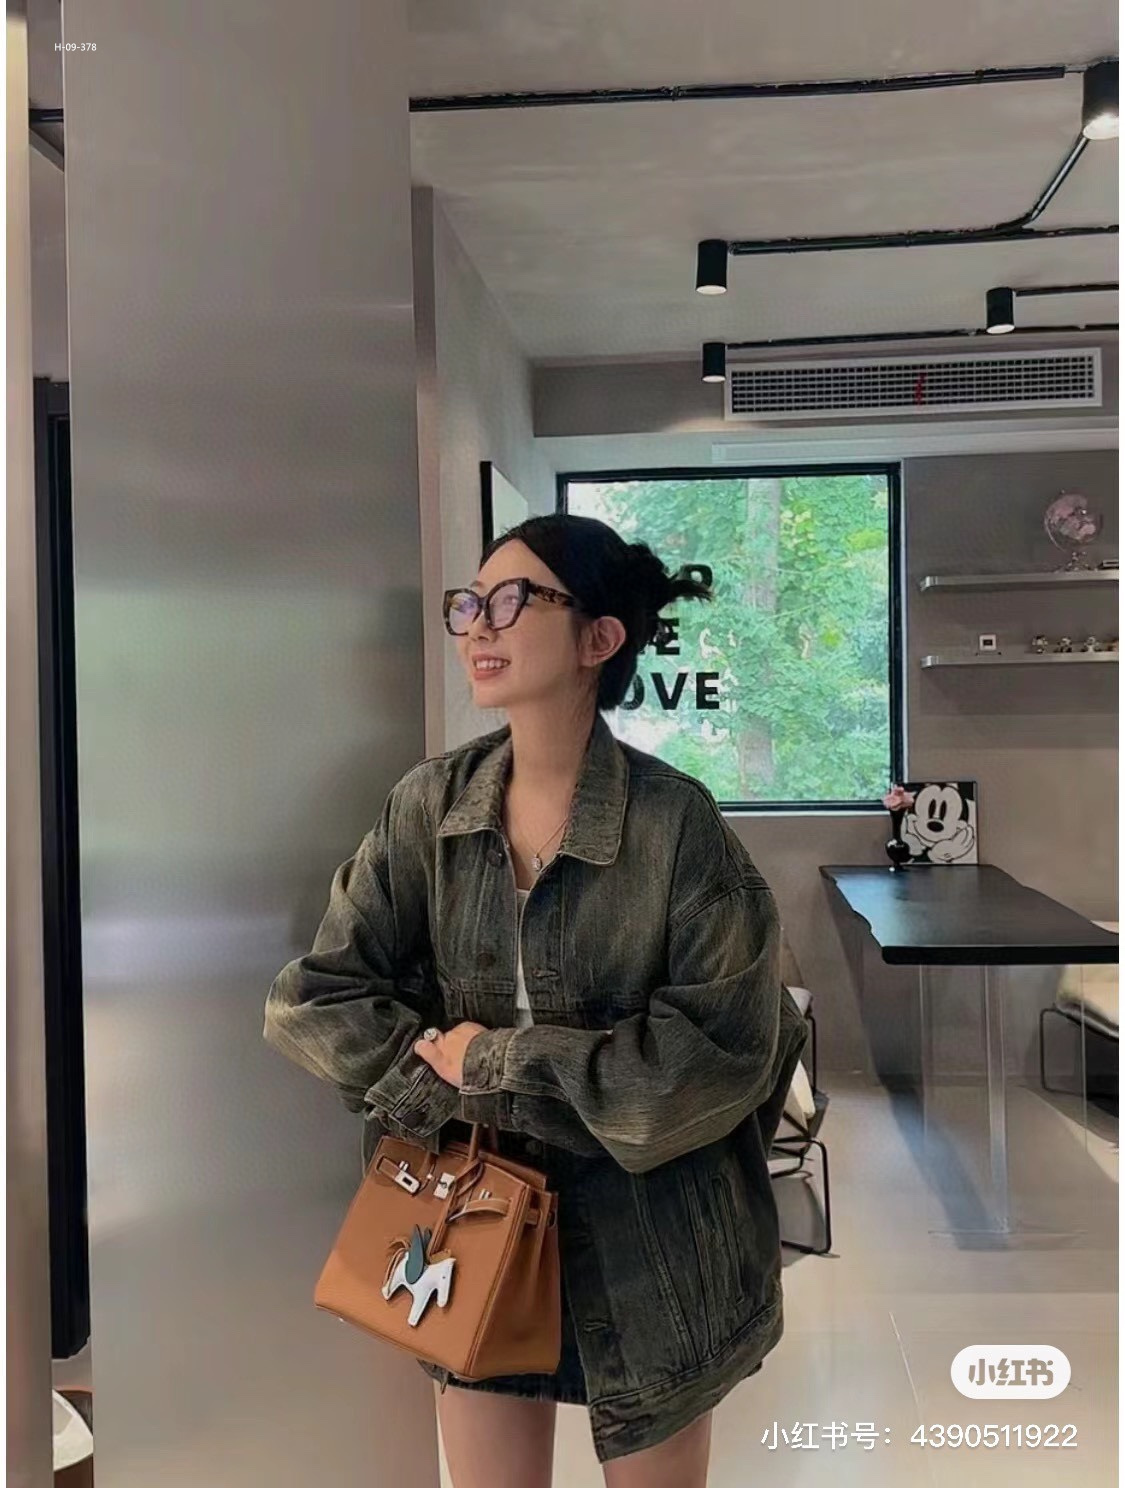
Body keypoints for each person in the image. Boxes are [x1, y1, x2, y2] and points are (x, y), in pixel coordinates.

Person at [264, 513, 809, 1487]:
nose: (479, 624)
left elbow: (714, 1059)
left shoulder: (677, 828)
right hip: (464, 1224)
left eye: (514, 600)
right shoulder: (428, 806)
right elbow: (315, 998)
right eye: (470, 603)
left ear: (599, 638)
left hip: (656, 1249)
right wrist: (438, 1091)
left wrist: (490, 1063)